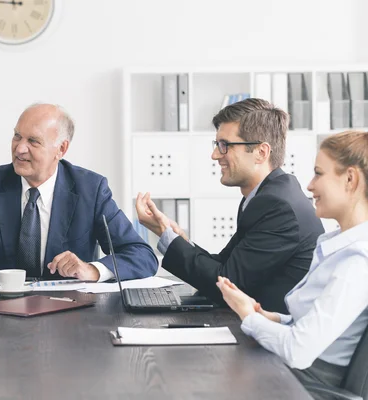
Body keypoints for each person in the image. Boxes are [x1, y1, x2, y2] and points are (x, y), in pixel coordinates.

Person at [217, 130, 368, 398]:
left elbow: (299, 351)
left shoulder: (357, 262)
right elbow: (313, 326)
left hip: (305, 382)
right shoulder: (338, 244)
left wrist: (249, 316)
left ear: (350, 179)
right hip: (298, 374)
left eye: (319, 173)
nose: (309, 185)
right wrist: (271, 318)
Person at [136, 98, 324, 313]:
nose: (215, 155)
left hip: (274, 337)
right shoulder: (265, 195)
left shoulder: (277, 206)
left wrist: (166, 236)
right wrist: (177, 237)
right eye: (217, 145)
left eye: (225, 145)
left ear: (261, 152)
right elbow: (225, 265)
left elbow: (230, 284)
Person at [0, 103, 158, 281]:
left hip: (69, 317)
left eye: (33, 141)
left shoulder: (91, 190)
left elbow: (142, 255)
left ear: (61, 149)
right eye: (17, 136)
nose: (19, 148)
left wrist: (92, 270)